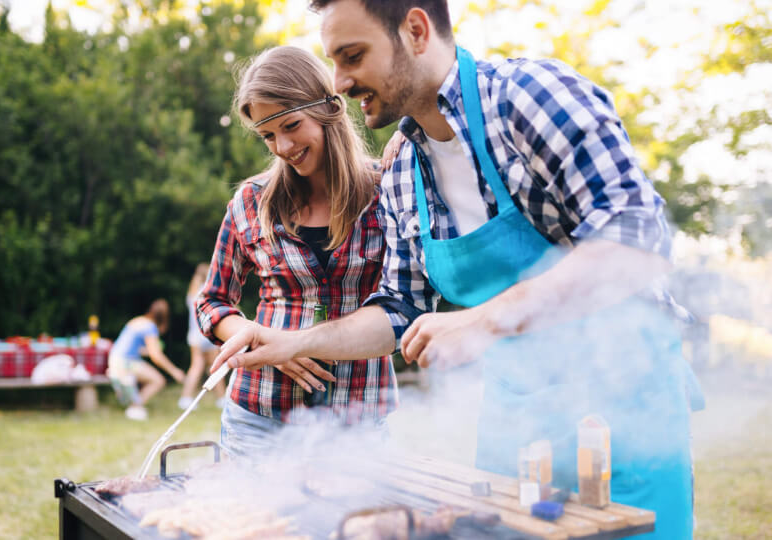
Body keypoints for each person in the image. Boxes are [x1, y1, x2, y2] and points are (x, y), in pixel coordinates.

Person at [211, 1, 703, 538]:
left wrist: (486, 319)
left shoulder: (528, 97)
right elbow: (397, 311)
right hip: (515, 417)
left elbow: (634, 235)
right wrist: (292, 343)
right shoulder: (400, 169)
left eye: (353, 56)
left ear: (416, 31)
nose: (340, 82)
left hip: (621, 414)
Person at [196, 46, 397, 456]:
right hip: (259, 419)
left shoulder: (387, 191)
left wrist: (301, 343)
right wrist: (262, 342)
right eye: (268, 135)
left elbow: (403, 302)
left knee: (356, 523)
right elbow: (211, 302)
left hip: (358, 419)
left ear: (328, 108)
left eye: (290, 125)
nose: (282, 147)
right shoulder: (251, 201)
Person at [108, 299, 185, 421]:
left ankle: (132, 403)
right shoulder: (150, 327)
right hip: (125, 364)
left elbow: (130, 348)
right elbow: (156, 356)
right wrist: (174, 371)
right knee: (158, 380)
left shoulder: (138, 320)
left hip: (114, 360)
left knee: (143, 376)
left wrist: (148, 351)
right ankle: (135, 406)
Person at [179, 263, 226, 410]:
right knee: (215, 367)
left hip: (194, 335)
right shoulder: (208, 293)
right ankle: (222, 399)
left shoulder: (192, 293)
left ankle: (186, 398)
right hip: (207, 334)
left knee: (197, 367)